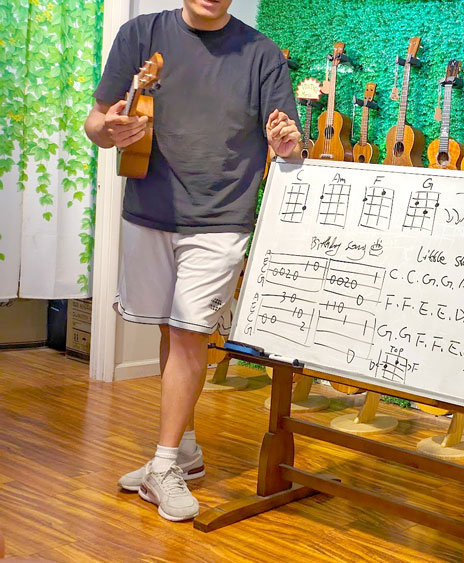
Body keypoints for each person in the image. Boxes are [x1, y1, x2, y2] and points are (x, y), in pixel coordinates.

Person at [84, 0, 301, 522]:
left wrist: (287, 144)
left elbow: (290, 143)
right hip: (148, 208)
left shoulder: (262, 53)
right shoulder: (140, 35)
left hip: (223, 214)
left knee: (189, 333)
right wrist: (107, 131)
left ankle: (163, 466)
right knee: (169, 328)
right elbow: (96, 120)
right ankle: (184, 450)